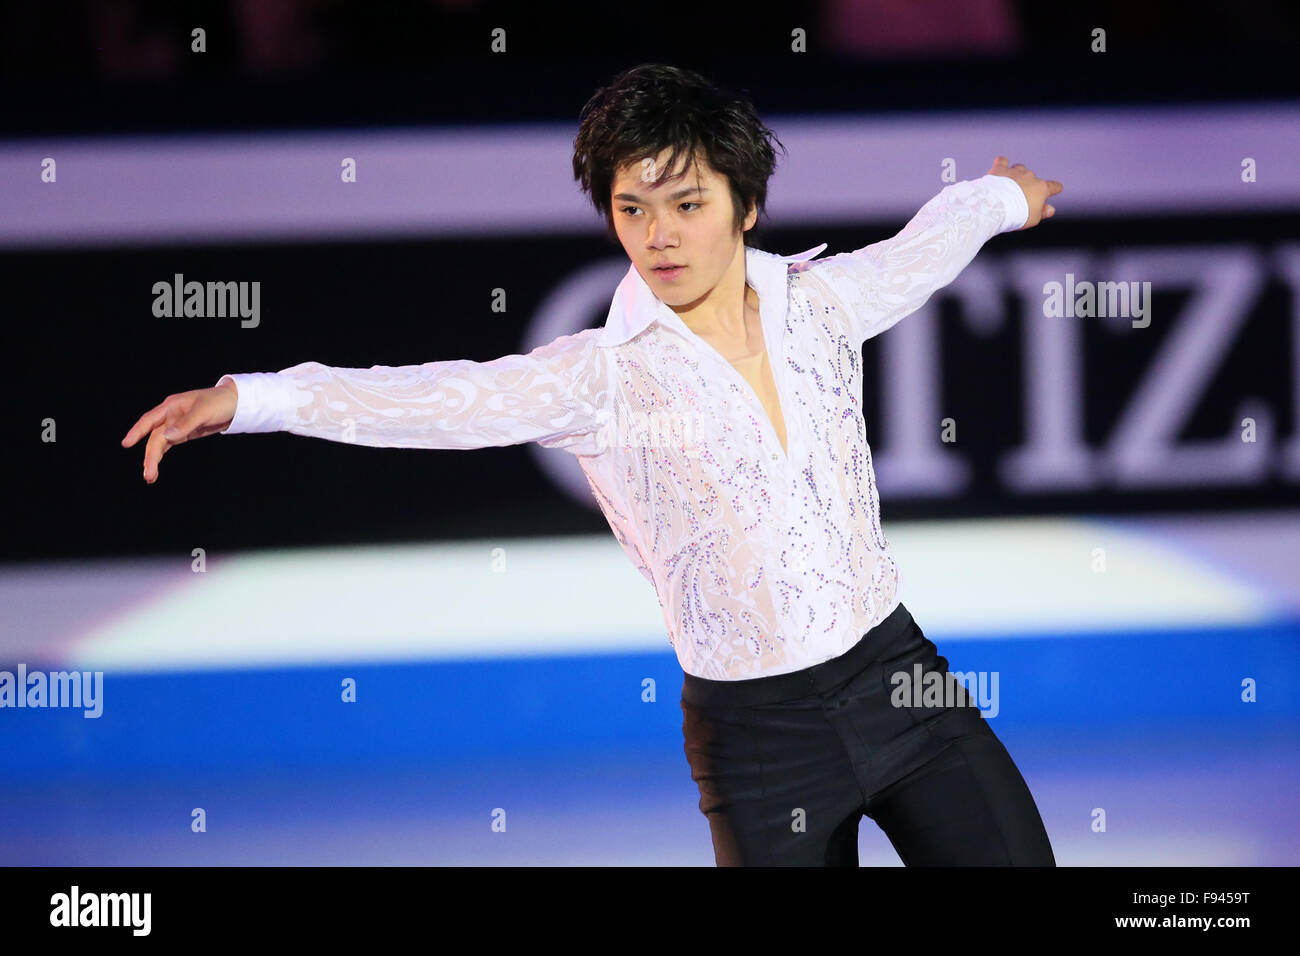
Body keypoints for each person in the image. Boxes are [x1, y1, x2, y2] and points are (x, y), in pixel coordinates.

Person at [122, 63, 1063, 866]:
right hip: (762, 744)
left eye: (688, 204)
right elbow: (435, 398)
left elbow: (920, 250)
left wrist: (999, 200)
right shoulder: (600, 378)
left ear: (747, 205)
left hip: (904, 682)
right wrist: (254, 399)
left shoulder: (822, 303)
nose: (660, 235)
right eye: (633, 209)